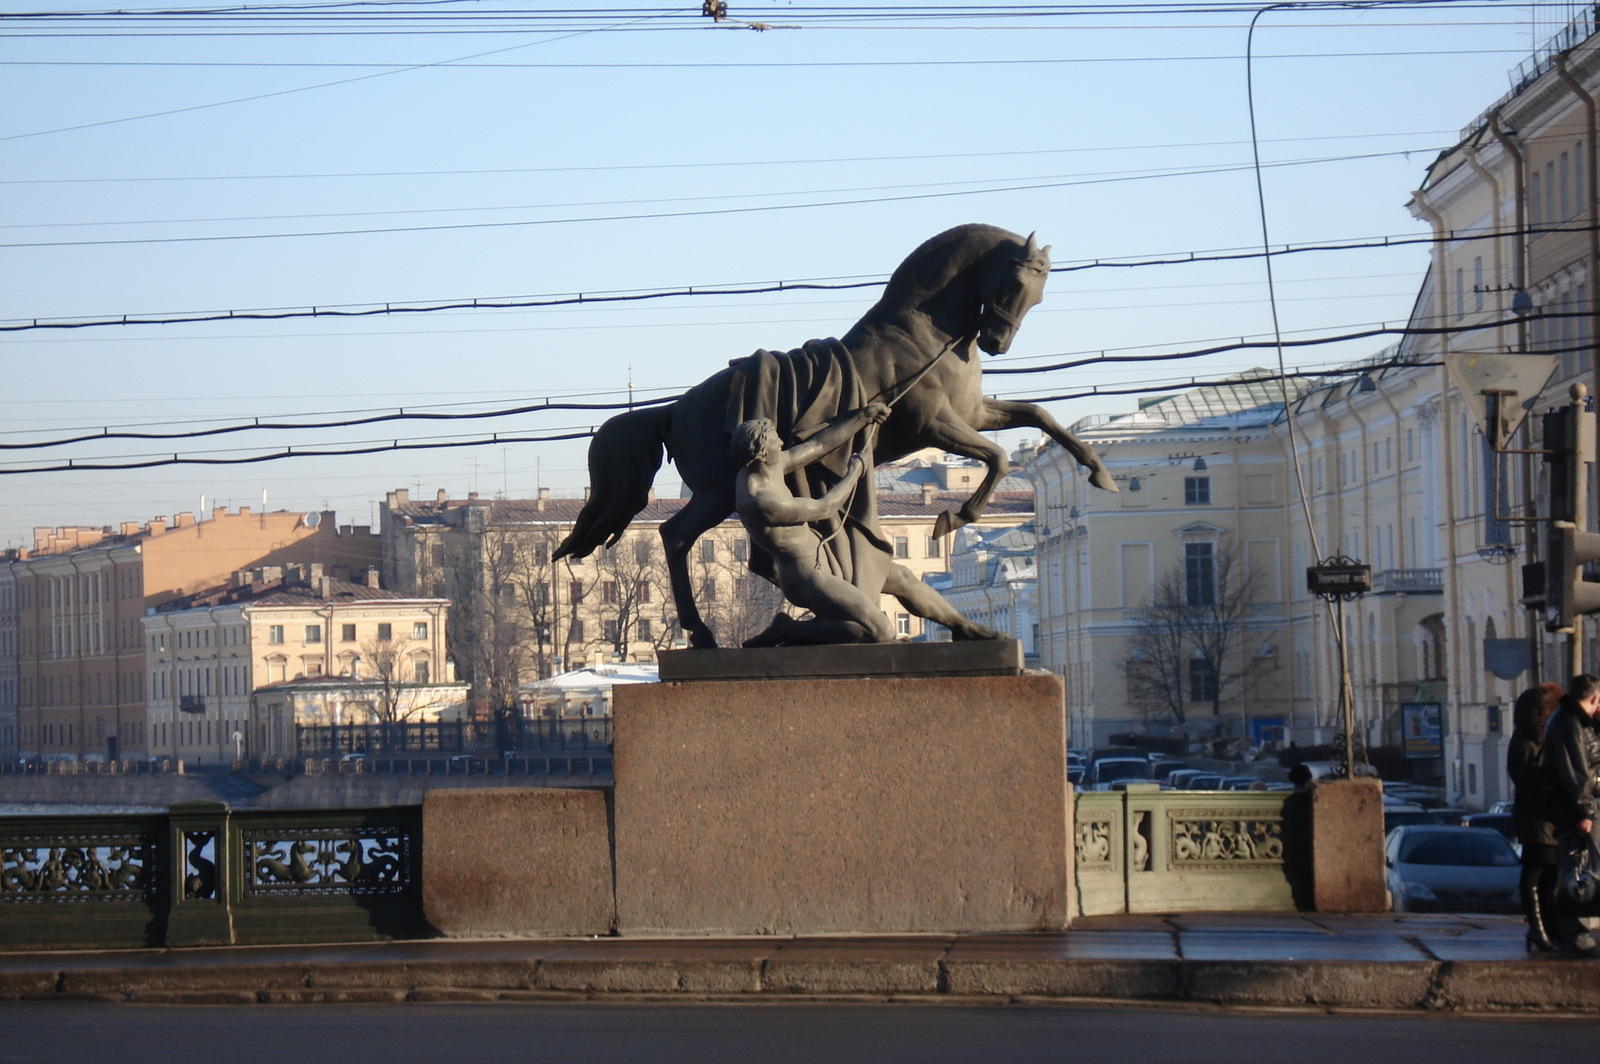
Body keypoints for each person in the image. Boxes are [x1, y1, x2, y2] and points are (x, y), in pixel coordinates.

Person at [734, 403, 895, 646]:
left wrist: (863, 417)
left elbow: (817, 447)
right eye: (775, 441)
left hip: (823, 562)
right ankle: (787, 630)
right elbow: (825, 507)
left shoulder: (767, 467)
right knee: (881, 633)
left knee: (860, 627)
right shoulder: (761, 500)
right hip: (806, 578)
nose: (781, 444)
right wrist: (854, 472)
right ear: (762, 453)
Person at [1543, 673, 1600, 958]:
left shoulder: (1578, 721)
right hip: (1580, 811)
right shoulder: (1569, 724)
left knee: (1583, 871)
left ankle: (1577, 933)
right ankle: (1575, 935)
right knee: (1578, 873)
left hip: (1583, 807)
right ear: (1594, 697)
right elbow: (1577, 776)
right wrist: (1585, 813)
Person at [1507, 682, 1564, 952]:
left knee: (1547, 875)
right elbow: (1530, 781)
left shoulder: (1532, 737)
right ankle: (1539, 929)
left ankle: (1547, 931)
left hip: (1542, 816)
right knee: (1537, 873)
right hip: (1538, 817)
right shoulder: (1529, 741)